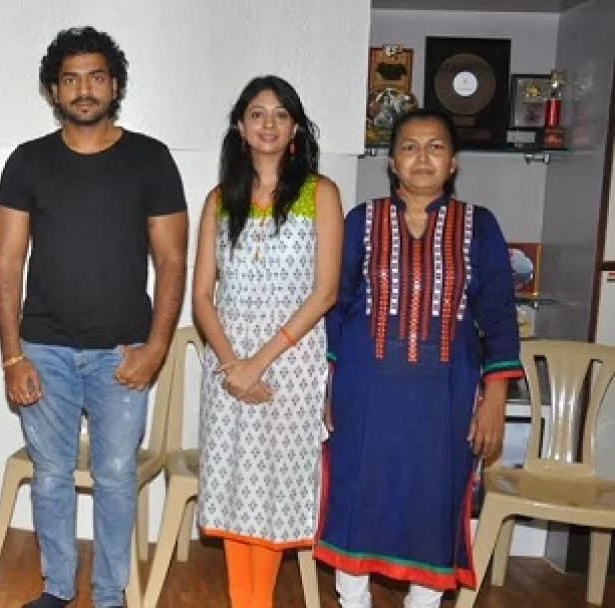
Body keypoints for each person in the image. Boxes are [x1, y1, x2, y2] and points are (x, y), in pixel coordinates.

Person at [0, 26, 189, 608]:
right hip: (42, 349)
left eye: (96, 77)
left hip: (122, 352)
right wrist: (11, 356)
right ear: (54, 90)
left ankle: (108, 595)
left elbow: (172, 261)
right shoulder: (27, 162)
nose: (84, 89)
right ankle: (57, 588)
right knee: (51, 474)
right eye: (71, 79)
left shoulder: (151, 159)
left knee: (116, 476)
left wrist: (155, 350)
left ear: (115, 85)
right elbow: (7, 264)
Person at [315, 108, 522, 608]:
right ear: (392, 161)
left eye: (435, 147)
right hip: (364, 392)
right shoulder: (362, 220)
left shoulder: (479, 226)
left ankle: (423, 603)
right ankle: (352, 600)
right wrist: (328, 386)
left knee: (434, 499)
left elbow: (499, 316)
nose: (422, 157)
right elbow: (336, 308)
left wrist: (494, 398)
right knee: (356, 494)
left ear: (453, 162)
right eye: (409, 147)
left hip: (444, 398)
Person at [192, 75, 343, 608]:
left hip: (291, 364)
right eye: (257, 113)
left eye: (281, 114)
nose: (269, 124)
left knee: (275, 491)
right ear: (240, 126)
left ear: (295, 127)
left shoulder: (320, 194)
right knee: (236, 487)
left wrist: (259, 362)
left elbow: (325, 292)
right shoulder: (219, 201)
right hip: (227, 366)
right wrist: (233, 363)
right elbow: (202, 296)